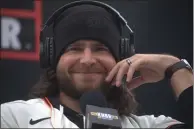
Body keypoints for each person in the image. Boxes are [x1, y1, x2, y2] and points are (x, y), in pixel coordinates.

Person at [1, 1, 193, 128]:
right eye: (74, 49)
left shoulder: (146, 126)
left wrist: (175, 67)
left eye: (101, 49)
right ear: (51, 58)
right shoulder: (12, 118)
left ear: (123, 59)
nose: (87, 60)